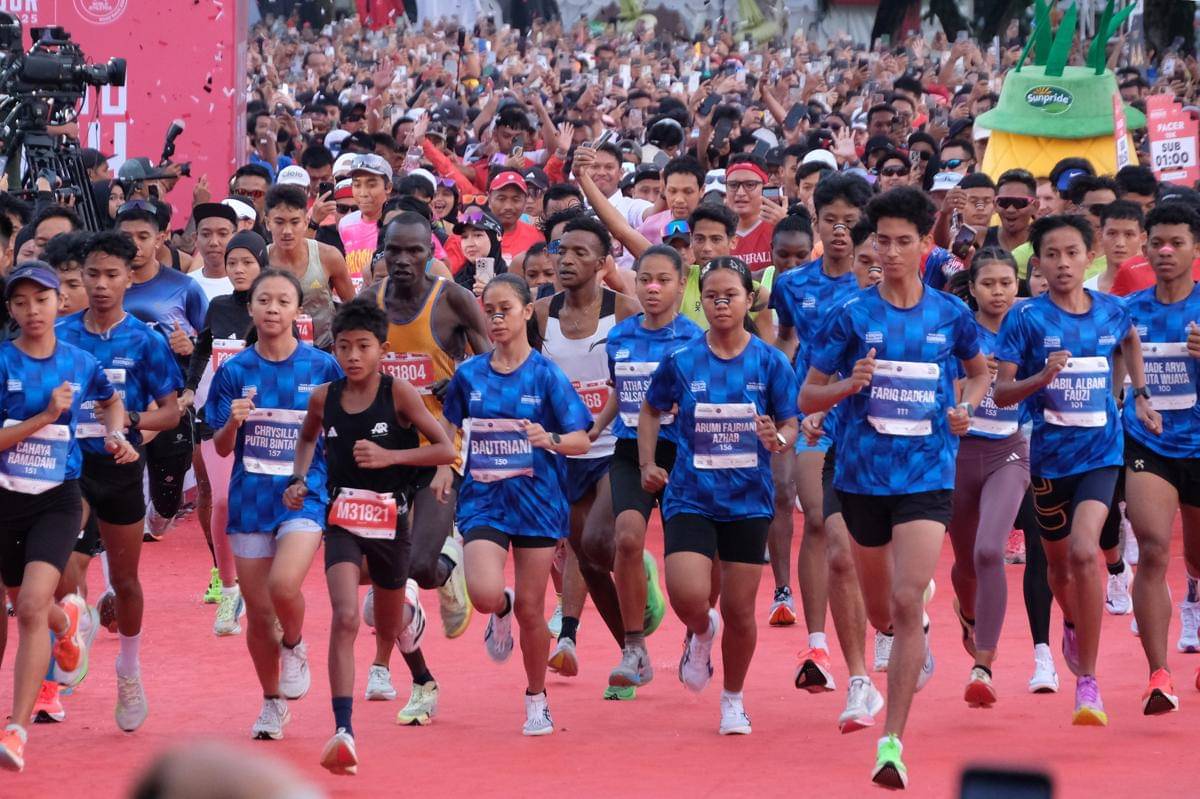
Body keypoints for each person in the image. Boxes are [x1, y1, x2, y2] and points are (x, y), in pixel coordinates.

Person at [801, 187, 990, 789]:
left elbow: (978, 375)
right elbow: (807, 395)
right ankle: (911, 626)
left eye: (903, 242)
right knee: (883, 612)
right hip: (861, 478)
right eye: (881, 241)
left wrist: (965, 407)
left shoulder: (951, 314)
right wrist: (846, 387)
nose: (890, 252)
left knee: (906, 603)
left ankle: (892, 744)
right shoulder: (851, 316)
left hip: (928, 474)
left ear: (924, 245)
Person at [994, 214, 1155, 728]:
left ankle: (1088, 679)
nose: (1063, 263)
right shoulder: (1026, 319)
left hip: (1101, 453)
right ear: (1037, 263)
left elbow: (1130, 340)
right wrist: (1041, 378)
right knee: (1060, 569)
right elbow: (1001, 392)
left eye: (1072, 253)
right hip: (1047, 460)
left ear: (1090, 256)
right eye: (1052, 255)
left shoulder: (1112, 309)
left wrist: (1137, 393)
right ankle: (1071, 620)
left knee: (1086, 550)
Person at [285, 300, 455, 775]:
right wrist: (298, 479)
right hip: (343, 518)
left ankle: (422, 675)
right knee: (344, 617)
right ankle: (343, 730)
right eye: (343, 347)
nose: (353, 356)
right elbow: (307, 437)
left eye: (363, 347)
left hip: (391, 522)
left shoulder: (399, 393)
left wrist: (389, 457)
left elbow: (444, 449)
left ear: (383, 349)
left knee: (389, 622)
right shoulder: (324, 397)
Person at [641, 255, 798, 734]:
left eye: (730, 295)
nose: (721, 303)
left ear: (749, 300)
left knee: (740, 609)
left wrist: (778, 438)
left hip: (748, 499)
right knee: (689, 594)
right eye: (711, 296)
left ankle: (733, 699)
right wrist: (648, 463)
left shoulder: (770, 362)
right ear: (701, 302)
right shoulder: (682, 360)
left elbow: (790, 422)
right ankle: (701, 630)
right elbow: (650, 409)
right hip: (690, 494)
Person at [441, 273, 593, 735]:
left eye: (505, 309)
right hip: (484, 499)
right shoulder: (469, 374)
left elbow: (581, 439)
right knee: (485, 593)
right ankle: (499, 610)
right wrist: (444, 466)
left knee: (533, 608)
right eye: (489, 311)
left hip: (537, 502)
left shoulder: (546, 375)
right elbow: (450, 426)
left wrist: (549, 439)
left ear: (528, 312)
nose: (496, 318)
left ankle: (536, 698)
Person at [0, 263, 135, 771]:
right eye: (21, 302)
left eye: (42, 299)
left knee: (30, 606)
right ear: (11, 310)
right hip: (6, 499)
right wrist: (44, 417)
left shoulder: (80, 362)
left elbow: (112, 401)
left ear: (59, 302)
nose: (32, 310)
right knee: (25, 603)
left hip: (58, 499)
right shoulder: (3, 362)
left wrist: (116, 435)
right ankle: (68, 623)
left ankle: (16, 730)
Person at [55, 232, 187, 731]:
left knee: (126, 582)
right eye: (92, 274)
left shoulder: (146, 341)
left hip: (122, 466)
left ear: (130, 278)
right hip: (69, 465)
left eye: (112, 275)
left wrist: (131, 421)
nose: (101, 284)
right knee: (63, 563)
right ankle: (76, 622)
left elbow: (171, 412)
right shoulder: (61, 335)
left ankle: (128, 670)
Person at [204, 269, 343, 740]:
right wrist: (233, 423)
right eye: (264, 300)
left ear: (297, 311)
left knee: (284, 586)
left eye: (283, 301)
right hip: (250, 499)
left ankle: (296, 644)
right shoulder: (234, 372)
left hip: (304, 494)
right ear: (251, 307)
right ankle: (270, 702)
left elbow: (341, 430)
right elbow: (222, 447)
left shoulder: (322, 368)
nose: (272, 309)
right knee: (260, 615)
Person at [361, 211, 489, 724]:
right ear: (382, 252)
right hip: (382, 453)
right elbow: (346, 359)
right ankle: (420, 678)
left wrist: (456, 382)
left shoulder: (452, 299)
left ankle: (449, 556)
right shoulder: (369, 302)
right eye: (395, 250)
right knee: (392, 573)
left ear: (431, 253)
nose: (404, 260)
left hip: (442, 451)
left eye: (415, 250)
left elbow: (494, 363)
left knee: (414, 568)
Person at [769, 174, 872, 694]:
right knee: (817, 520)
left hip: (873, 416)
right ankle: (816, 645)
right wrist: (776, 392)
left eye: (850, 222)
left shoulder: (877, 282)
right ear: (816, 222)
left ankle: (892, 614)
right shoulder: (792, 284)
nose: (839, 230)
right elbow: (786, 337)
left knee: (864, 533)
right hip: (815, 414)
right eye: (830, 220)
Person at [535, 214, 639, 679]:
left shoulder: (626, 311)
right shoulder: (540, 313)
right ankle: (631, 651)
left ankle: (636, 570)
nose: (567, 260)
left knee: (599, 540)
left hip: (617, 445)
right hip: (567, 450)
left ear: (602, 262)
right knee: (590, 560)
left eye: (581, 252)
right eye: (562, 251)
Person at [597, 245, 702, 694]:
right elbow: (621, 393)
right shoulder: (620, 336)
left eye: (663, 280)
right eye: (644, 280)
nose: (652, 288)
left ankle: (697, 634)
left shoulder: (696, 339)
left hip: (684, 455)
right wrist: (592, 428)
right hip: (629, 450)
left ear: (681, 284)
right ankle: (634, 646)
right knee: (625, 538)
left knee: (691, 565)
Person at [1122, 203, 1200, 715]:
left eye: (1177, 242)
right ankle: (1159, 674)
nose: (1166, 251)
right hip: (1148, 443)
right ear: (1145, 248)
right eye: (1157, 243)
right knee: (1151, 548)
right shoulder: (1126, 311)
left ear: (1195, 248)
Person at [944, 248, 1029, 708]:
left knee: (989, 550)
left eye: (1007, 283)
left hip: (1008, 452)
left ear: (1017, 285)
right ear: (973, 289)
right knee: (965, 563)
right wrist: (973, 380)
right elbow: (939, 389)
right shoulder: (959, 330)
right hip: (959, 454)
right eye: (989, 284)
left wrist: (1019, 378)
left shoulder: (1030, 327)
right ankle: (969, 613)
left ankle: (984, 664)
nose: (999, 292)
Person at [184, 232, 270, 636]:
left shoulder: (275, 304)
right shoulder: (218, 306)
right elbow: (203, 348)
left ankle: (264, 589)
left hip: (268, 421)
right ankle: (230, 588)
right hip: (218, 415)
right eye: (232, 262)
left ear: (262, 264)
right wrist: (189, 389)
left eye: (246, 262)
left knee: (262, 506)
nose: (237, 269)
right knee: (221, 501)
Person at [115, 200, 209, 542]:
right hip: (120, 402)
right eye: (126, 236)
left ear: (160, 238)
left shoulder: (184, 287)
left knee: (167, 501)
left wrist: (190, 346)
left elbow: (210, 343)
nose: (135, 244)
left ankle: (158, 517)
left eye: (143, 236)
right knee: (118, 486)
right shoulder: (106, 287)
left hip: (171, 403)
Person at [264, 184, 356, 349]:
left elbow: (353, 307)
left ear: (306, 222)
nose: (287, 231)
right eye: (279, 222)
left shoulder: (328, 256)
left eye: (294, 222)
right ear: (267, 223)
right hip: (274, 350)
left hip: (324, 349)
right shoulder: (259, 260)